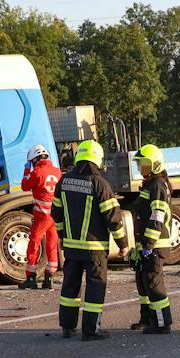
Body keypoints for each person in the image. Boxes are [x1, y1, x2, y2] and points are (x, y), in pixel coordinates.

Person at [52, 140, 128, 340]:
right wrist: (123, 245)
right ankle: (91, 330)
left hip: (71, 248)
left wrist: (62, 237)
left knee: (70, 287)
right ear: (98, 159)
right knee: (95, 287)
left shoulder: (64, 181)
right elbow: (113, 218)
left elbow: (56, 214)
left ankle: (67, 328)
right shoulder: (100, 184)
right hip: (94, 249)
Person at [130, 143, 175, 334]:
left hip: (155, 244)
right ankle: (147, 319)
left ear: (155, 164)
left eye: (145, 164)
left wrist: (148, 244)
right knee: (143, 282)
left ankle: (162, 324)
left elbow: (157, 216)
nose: (142, 168)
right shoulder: (150, 185)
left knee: (154, 283)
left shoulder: (157, 186)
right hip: (146, 244)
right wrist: (139, 247)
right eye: (140, 164)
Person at [19, 144, 61, 290]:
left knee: (34, 243)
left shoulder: (37, 172)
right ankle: (49, 276)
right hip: (54, 215)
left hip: (42, 216)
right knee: (52, 244)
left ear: (34, 160)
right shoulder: (57, 171)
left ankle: (31, 277)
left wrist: (26, 169)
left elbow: (24, 185)